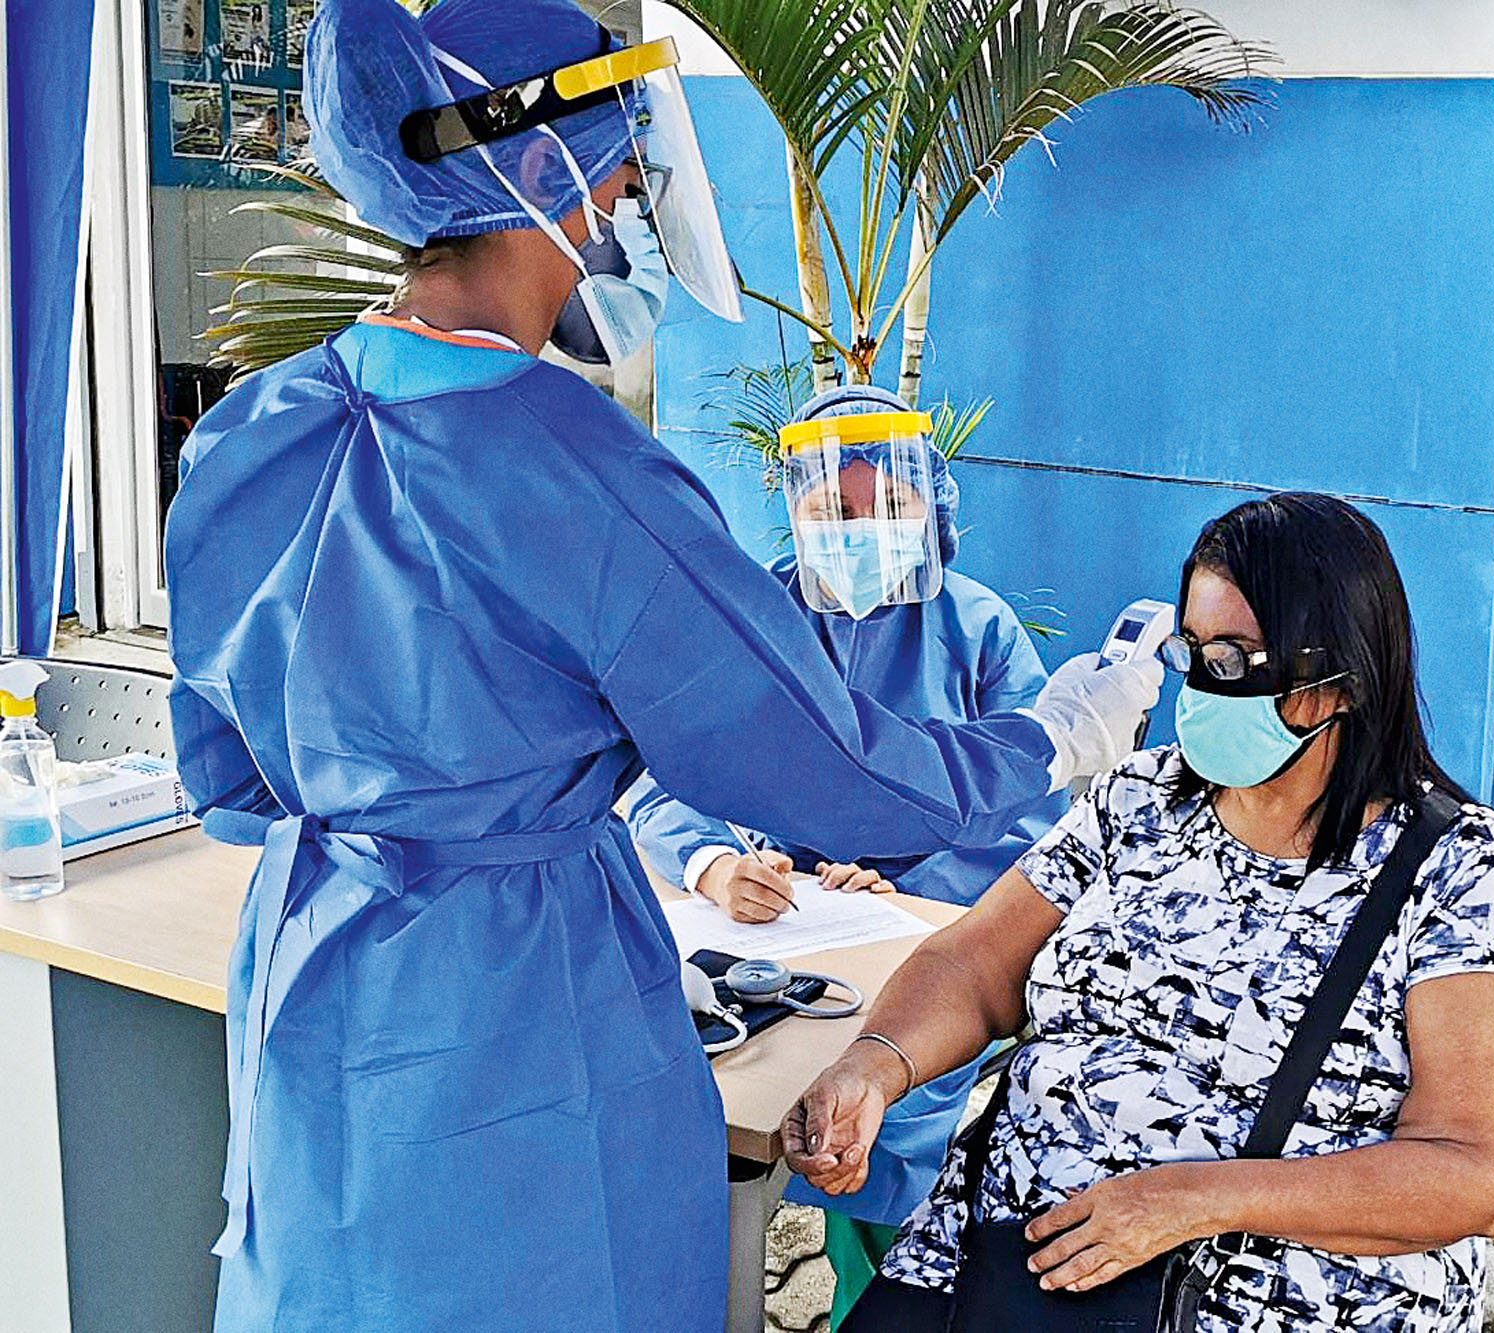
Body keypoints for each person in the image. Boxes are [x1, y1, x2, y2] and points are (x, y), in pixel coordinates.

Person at [164, 1, 1160, 1329]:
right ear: (532, 170)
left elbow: (226, 775)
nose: (629, 194)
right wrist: (1056, 738)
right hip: (519, 1007)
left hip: (313, 967)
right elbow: (832, 773)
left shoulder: (248, 432)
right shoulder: (582, 470)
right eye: (617, 161)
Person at [786, 493, 1494, 1332]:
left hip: (1277, 1294)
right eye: (1192, 651)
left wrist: (1194, 1200)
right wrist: (876, 1062)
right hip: (1003, 1261)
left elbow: (1484, 1172)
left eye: (1236, 661)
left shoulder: (1453, 866)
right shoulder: (1144, 796)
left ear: (1341, 678)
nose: (1200, 686)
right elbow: (975, 965)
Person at [628, 385, 1069, 1322]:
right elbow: (658, 773)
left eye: (887, 508)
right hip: (766, 949)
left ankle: (881, 1291)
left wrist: (906, 887)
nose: (859, 530)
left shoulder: (980, 630)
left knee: (879, 1131)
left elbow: (1035, 822)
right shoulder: (754, 623)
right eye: (833, 509)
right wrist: (714, 861)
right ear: (792, 508)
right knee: (691, 1110)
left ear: (931, 509)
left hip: (921, 956)